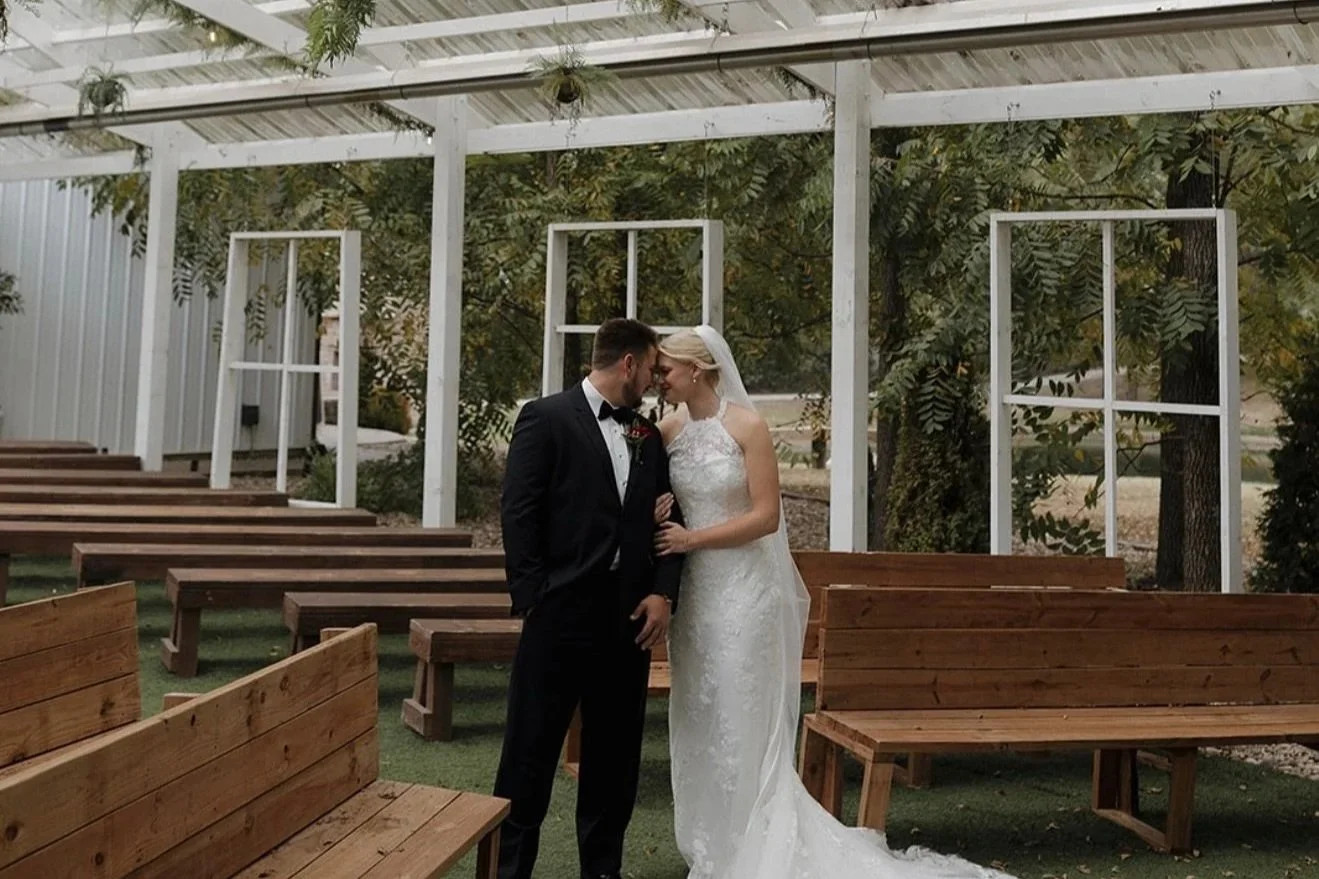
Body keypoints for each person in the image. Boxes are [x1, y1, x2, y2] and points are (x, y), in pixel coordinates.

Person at [652, 325, 1015, 879]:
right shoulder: (668, 430)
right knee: (699, 711)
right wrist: (661, 512)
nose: (660, 379)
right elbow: (665, 498)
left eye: (666, 369)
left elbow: (765, 518)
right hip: (696, 598)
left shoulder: (747, 427)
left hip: (742, 592)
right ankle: (711, 841)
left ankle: (754, 845)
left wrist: (691, 539)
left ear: (695, 370)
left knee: (741, 714)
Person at [494, 317, 685, 879]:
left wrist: (662, 595)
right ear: (628, 363)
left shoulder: (648, 437)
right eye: (651, 367)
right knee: (528, 756)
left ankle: (602, 872)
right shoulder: (545, 418)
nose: (654, 379)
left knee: (613, 762)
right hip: (558, 618)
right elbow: (518, 512)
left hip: (628, 623)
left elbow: (674, 517)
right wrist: (535, 599)